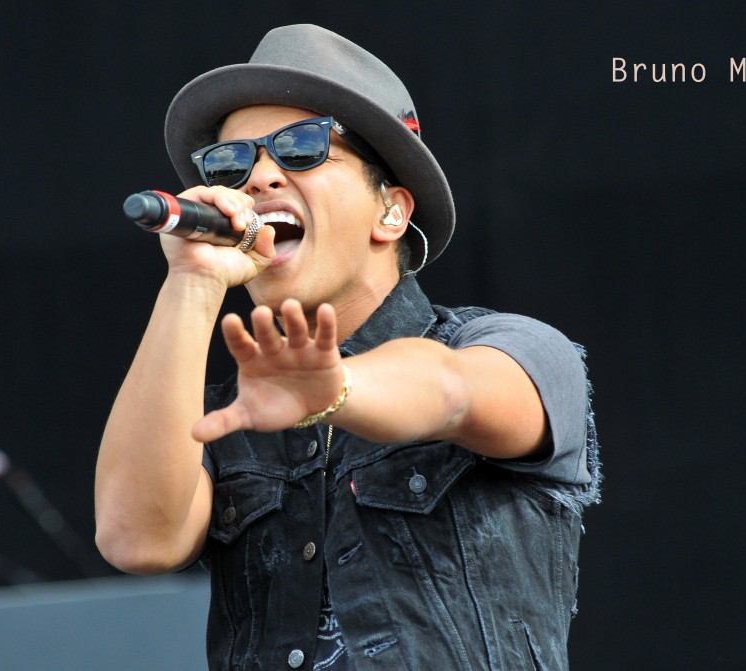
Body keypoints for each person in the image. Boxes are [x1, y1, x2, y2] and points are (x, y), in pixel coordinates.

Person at [95, 24, 600, 670]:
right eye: (231, 163)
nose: (259, 178)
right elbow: (137, 538)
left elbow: (449, 390)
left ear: (391, 211)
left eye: (301, 147)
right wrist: (192, 281)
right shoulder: (233, 417)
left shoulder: (513, 349)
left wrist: (337, 390)